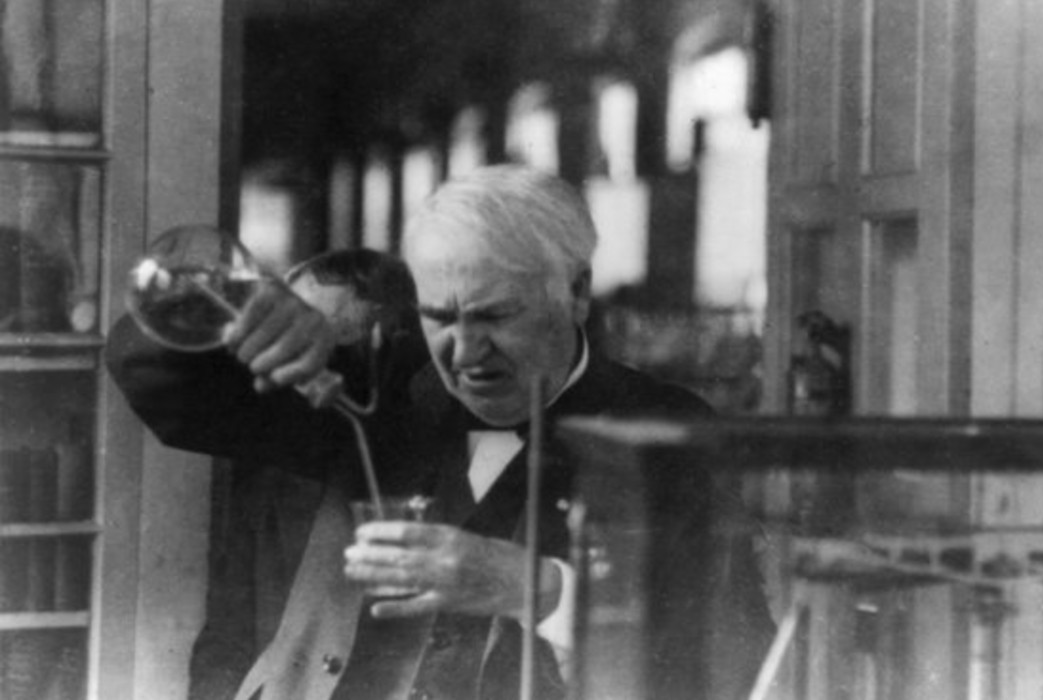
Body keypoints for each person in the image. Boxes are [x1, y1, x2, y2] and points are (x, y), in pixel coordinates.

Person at [106, 165, 773, 700]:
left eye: (497, 316)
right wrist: (238, 303)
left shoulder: (662, 429)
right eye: (440, 318)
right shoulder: (373, 386)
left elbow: (730, 657)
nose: (465, 353)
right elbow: (162, 386)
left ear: (576, 291)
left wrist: (542, 591)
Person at [187, 249, 428, 700]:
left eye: (320, 345)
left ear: (384, 348)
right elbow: (227, 635)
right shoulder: (275, 468)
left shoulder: (442, 471)